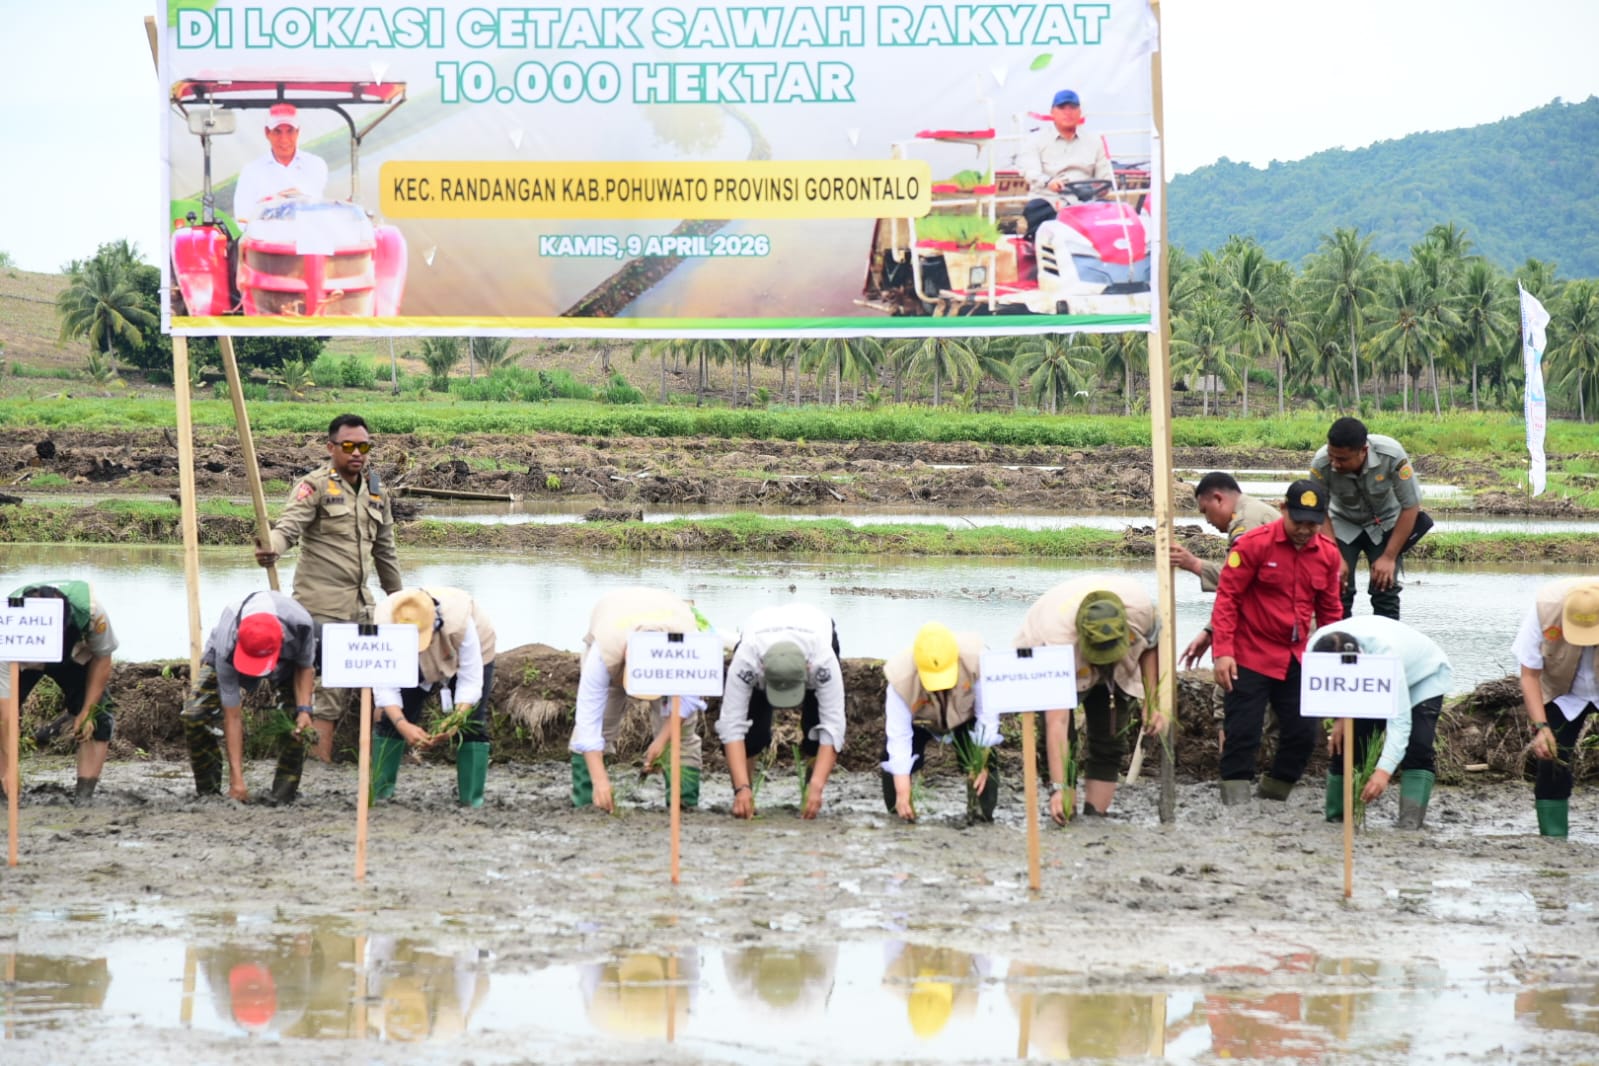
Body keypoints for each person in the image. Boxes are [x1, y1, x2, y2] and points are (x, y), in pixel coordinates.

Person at [255, 412, 402, 763]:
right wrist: (271, 547)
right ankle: (319, 767)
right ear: (331, 447)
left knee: (386, 684)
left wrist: (399, 601)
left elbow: (385, 550)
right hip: (322, 610)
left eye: (363, 446)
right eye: (348, 445)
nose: (357, 453)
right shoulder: (315, 485)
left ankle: (381, 767)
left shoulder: (377, 490)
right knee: (330, 691)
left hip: (363, 607)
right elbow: (288, 527)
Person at [1210, 480, 1343, 804]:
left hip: (1297, 657)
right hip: (1250, 655)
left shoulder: (1327, 555)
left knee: (1303, 734)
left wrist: (1334, 663)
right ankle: (1235, 806)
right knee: (1243, 734)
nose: (1304, 530)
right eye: (1298, 521)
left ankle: (1273, 796)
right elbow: (1227, 598)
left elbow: (1330, 612)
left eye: (1312, 524)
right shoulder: (1254, 544)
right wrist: (1223, 652)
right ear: (1283, 509)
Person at [1015, 576, 1165, 823]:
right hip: (1052, 648)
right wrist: (1058, 788)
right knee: (1060, 742)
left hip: (1111, 645)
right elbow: (1058, 724)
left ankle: (1096, 818)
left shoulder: (1140, 611)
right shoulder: (1055, 642)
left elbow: (1150, 645)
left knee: (1111, 733)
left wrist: (1152, 702)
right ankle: (1066, 811)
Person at [569, 587, 709, 813]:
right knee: (602, 724)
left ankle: (683, 803)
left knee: (681, 736)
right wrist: (600, 781)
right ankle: (588, 800)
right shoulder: (604, 653)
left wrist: (661, 741)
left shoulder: (688, 649)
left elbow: (688, 701)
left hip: (670, 624)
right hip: (615, 615)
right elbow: (588, 721)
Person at [1308, 617, 1453, 828]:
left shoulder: (1386, 657)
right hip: (1368, 680)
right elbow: (1332, 687)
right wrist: (1340, 716)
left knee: (1418, 745)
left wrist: (1383, 772)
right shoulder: (1315, 650)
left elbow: (1400, 721)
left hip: (1424, 676)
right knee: (1348, 742)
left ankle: (1409, 822)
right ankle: (1337, 818)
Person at [180, 590, 317, 804]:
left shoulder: (301, 625)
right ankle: (209, 794)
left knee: (297, 724)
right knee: (195, 714)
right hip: (231, 652)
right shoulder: (228, 641)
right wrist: (237, 779)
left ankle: (283, 795)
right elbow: (232, 715)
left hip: (287, 659)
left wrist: (304, 710)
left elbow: (304, 667)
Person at [715, 603, 845, 820]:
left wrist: (817, 786)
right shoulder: (747, 659)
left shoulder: (823, 660)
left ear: (807, 669)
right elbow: (731, 724)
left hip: (814, 625)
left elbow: (833, 726)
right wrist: (741, 788)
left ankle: (810, 797)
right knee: (753, 734)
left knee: (815, 728)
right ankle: (745, 800)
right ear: (762, 670)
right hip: (760, 629)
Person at [371, 587, 498, 808]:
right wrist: (403, 725)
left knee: (473, 722)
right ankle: (380, 793)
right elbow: (385, 685)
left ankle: (471, 799)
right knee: (392, 720)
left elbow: (471, 681)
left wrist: (456, 720)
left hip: (464, 651)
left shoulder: (461, 623)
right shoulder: (385, 624)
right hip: (412, 664)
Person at [0, 581, 117, 803]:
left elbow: (103, 657)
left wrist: (87, 710)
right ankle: (4, 792)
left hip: (73, 657)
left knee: (99, 718)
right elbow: (5, 715)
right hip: (22, 658)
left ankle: (83, 798)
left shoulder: (92, 612)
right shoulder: (8, 626)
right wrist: (10, 767)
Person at [1309, 417, 1430, 620]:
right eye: (1332, 456)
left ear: (1363, 451)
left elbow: (1410, 507)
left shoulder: (1391, 455)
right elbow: (1320, 511)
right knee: (1338, 587)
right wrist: (1334, 556)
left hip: (1385, 522)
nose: (1335, 464)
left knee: (1385, 588)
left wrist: (1389, 557)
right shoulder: (1321, 463)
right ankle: (1337, 645)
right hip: (1342, 524)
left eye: (1342, 459)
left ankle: (1386, 647)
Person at [880, 622, 1001, 823]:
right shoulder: (901, 680)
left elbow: (986, 716)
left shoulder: (978, 662)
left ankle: (981, 814)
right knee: (891, 762)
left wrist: (983, 759)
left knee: (986, 763)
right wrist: (902, 789)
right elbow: (899, 736)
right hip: (922, 720)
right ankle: (899, 813)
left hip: (965, 717)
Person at [1513, 579, 1599, 839]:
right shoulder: (1545, 608)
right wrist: (1541, 728)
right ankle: (1553, 839)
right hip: (1563, 691)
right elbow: (1529, 675)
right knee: (1551, 761)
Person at [1171, 472, 1282, 670]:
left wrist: (1194, 564)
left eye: (1205, 511)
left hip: (1276, 628)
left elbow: (1239, 583)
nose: (1206, 520)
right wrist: (1211, 631)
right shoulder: (1249, 512)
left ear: (1218, 499)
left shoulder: (1246, 522)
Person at [1016, 88, 1114, 235]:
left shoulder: (1094, 141)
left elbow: (1104, 177)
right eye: (1062, 108)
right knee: (1037, 211)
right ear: (1052, 112)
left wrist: (1101, 187)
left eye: (1073, 108)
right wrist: (1049, 182)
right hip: (1049, 201)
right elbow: (1030, 172)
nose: (1068, 112)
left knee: (1116, 218)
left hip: (1085, 204)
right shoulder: (1035, 140)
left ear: (1080, 112)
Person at [231, 102, 329, 229]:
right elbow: (242, 221)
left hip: (306, 241)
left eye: (290, 131)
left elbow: (312, 203)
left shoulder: (316, 164)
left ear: (298, 132)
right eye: (277, 131)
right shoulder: (250, 171)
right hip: (265, 244)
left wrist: (271, 202)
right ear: (267, 132)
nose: (284, 139)